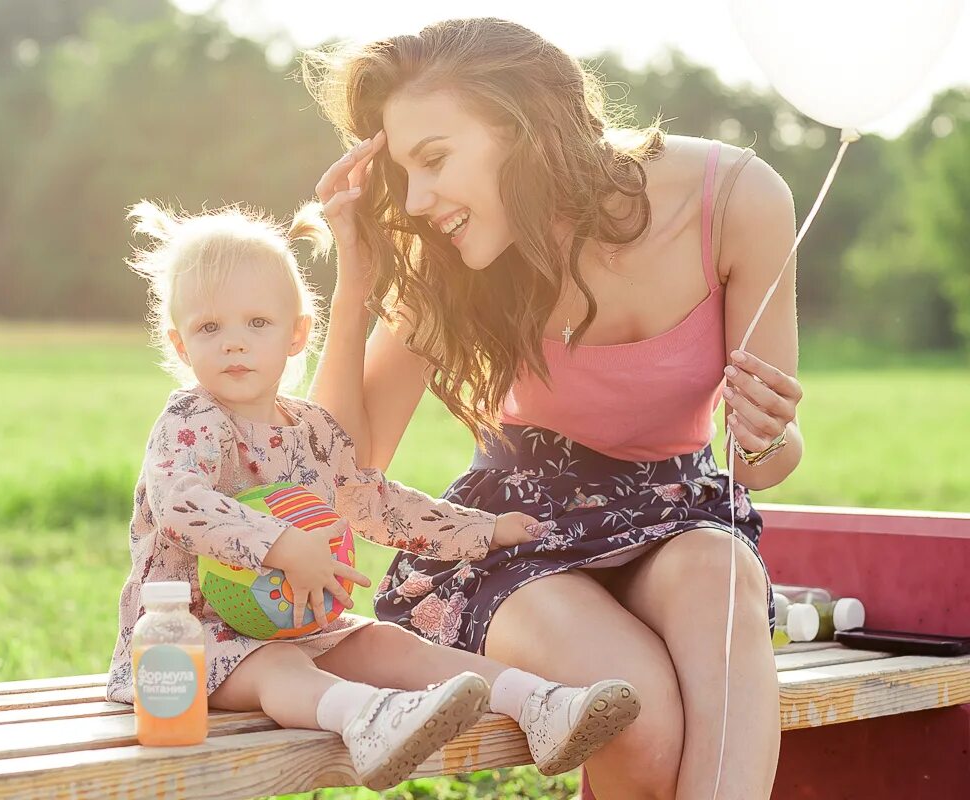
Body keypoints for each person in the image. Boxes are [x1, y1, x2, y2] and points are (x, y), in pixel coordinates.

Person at [304, 17, 804, 800]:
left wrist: (768, 432)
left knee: (722, 571)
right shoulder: (453, 262)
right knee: (635, 710)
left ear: (525, 127)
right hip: (518, 536)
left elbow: (765, 467)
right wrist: (357, 286)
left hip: (675, 516)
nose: (420, 198)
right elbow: (336, 472)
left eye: (434, 160)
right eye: (405, 173)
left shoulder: (736, 200)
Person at [104, 199, 641, 790]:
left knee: (388, 642)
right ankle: (367, 719)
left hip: (297, 624)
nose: (234, 343)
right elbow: (181, 504)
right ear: (182, 345)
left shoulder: (310, 429)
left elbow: (371, 502)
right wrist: (285, 546)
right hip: (189, 649)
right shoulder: (191, 421)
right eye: (210, 328)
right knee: (278, 666)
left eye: (257, 323)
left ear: (295, 334)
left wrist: (482, 529)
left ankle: (541, 703)